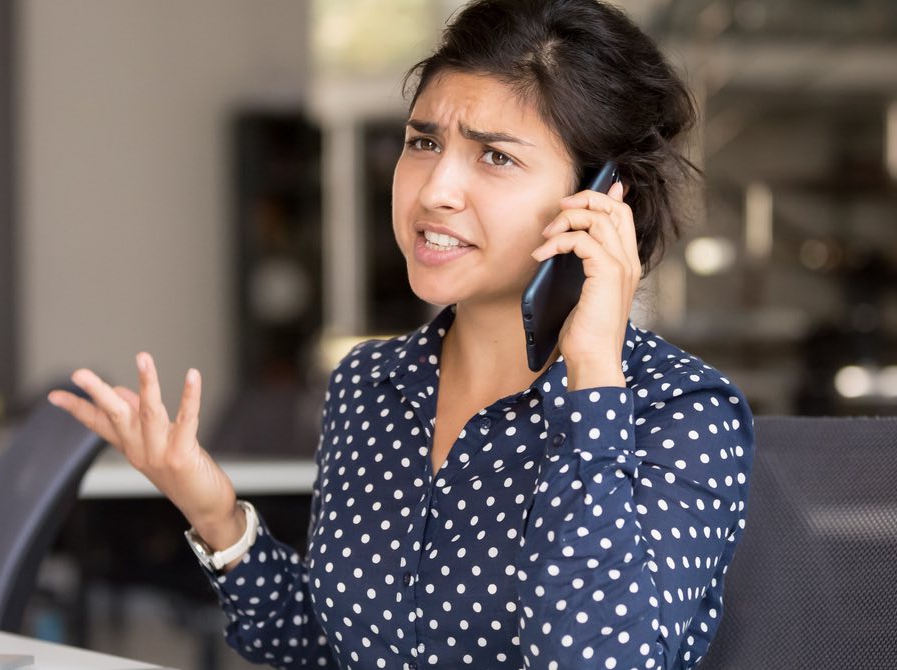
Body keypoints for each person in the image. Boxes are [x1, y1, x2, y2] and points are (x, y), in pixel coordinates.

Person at [49, 0, 755, 667]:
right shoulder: (372, 384)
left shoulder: (677, 411)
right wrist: (217, 514)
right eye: (423, 142)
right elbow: (334, 645)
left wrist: (594, 379)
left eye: (495, 156)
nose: (435, 188)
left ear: (602, 201)